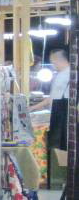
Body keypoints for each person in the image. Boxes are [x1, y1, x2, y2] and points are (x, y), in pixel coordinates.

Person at [37, 48, 70, 187]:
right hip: (59, 114)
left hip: (64, 117)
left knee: (62, 146)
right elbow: (51, 99)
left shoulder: (67, 76)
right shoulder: (62, 74)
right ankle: (65, 178)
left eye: (52, 61)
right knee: (61, 146)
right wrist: (33, 107)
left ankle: (64, 178)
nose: (52, 64)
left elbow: (54, 100)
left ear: (58, 59)